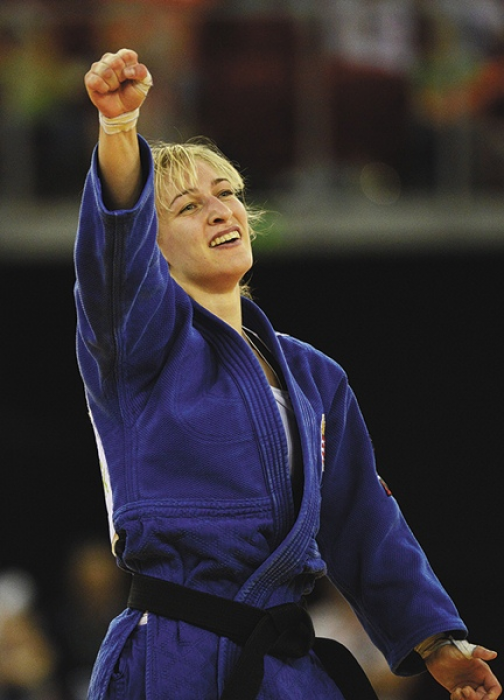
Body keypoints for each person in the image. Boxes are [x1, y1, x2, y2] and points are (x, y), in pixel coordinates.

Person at [74, 48, 501, 700]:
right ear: (147, 246)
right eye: (188, 206)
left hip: (285, 663)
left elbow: (363, 518)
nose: (221, 210)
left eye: (228, 195)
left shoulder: (313, 376)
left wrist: (434, 640)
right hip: (173, 653)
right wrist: (118, 128)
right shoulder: (138, 346)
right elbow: (111, 255)